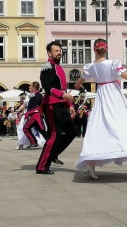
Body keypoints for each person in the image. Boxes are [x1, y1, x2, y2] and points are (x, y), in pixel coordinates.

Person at [74, 39, 127, 179]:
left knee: (99, 128)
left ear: (94, 49)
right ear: (106, 49)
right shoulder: (113, 63)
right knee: (126, 125)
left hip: (101, 96)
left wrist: (76, 87)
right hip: (114, 95)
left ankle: (91, 164)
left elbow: (78, 83)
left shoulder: (90, 67)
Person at [36, 41, 78, 175]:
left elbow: (63, 89)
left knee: (72, 131)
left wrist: (70, 105)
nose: (59, 52)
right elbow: (48, 87)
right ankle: (42, 166)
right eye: (56, 51)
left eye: (60, 50)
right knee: (55, 135)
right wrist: (62, 95)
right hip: (51, 105)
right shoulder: (47, 67)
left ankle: (53, 153)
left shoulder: (58, 67)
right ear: (49, 53)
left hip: (61, 104)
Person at [23, 81, 46, 148]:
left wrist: (28, 113)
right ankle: (49, 140)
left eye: (31, 86)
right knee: (41, 129)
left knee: (26, 128)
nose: (30, 87)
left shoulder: (34, 95)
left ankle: (33, 142)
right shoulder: (40, 95)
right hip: (37, 114)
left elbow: (32, 106)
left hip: (35, 114)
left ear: (34, 87)